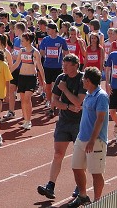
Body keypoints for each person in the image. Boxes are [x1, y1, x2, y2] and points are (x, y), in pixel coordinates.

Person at [37, 54, 86, 200]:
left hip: (79, 123)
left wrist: (65, 91)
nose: (63, 67)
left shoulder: (82, 79)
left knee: (79, 157)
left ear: (75, 65)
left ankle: (79, 187)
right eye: (63, 65)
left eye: (66, 65)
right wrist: (67, 106)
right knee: (58, 154)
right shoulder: (60, 78)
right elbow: (54, 101)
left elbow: (79, 102)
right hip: (64, 122)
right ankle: (50, 185)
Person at [68, 67, 109, 207]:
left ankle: (98, 201)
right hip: (82, 138)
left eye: (84, 78)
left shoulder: (101, 96)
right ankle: (83, 195)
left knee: (96, 172)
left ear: (89, 81)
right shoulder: (88, 94)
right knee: (76, 167)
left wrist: (92, 140)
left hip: (95, 141)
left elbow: (100, 119)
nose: (82, 80)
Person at [11, 32, 45, 129]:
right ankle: (25, 119)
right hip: (22, 76)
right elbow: (17, 63)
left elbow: (39, 66)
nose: (21, 42)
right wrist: (8, 73)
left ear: (28, 41)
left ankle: (29, 120)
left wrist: (44, 80)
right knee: (22, 99)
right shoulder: (21, 51)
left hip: (31, 77)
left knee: (27, 98)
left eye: (23, 40)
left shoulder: (35, 52)